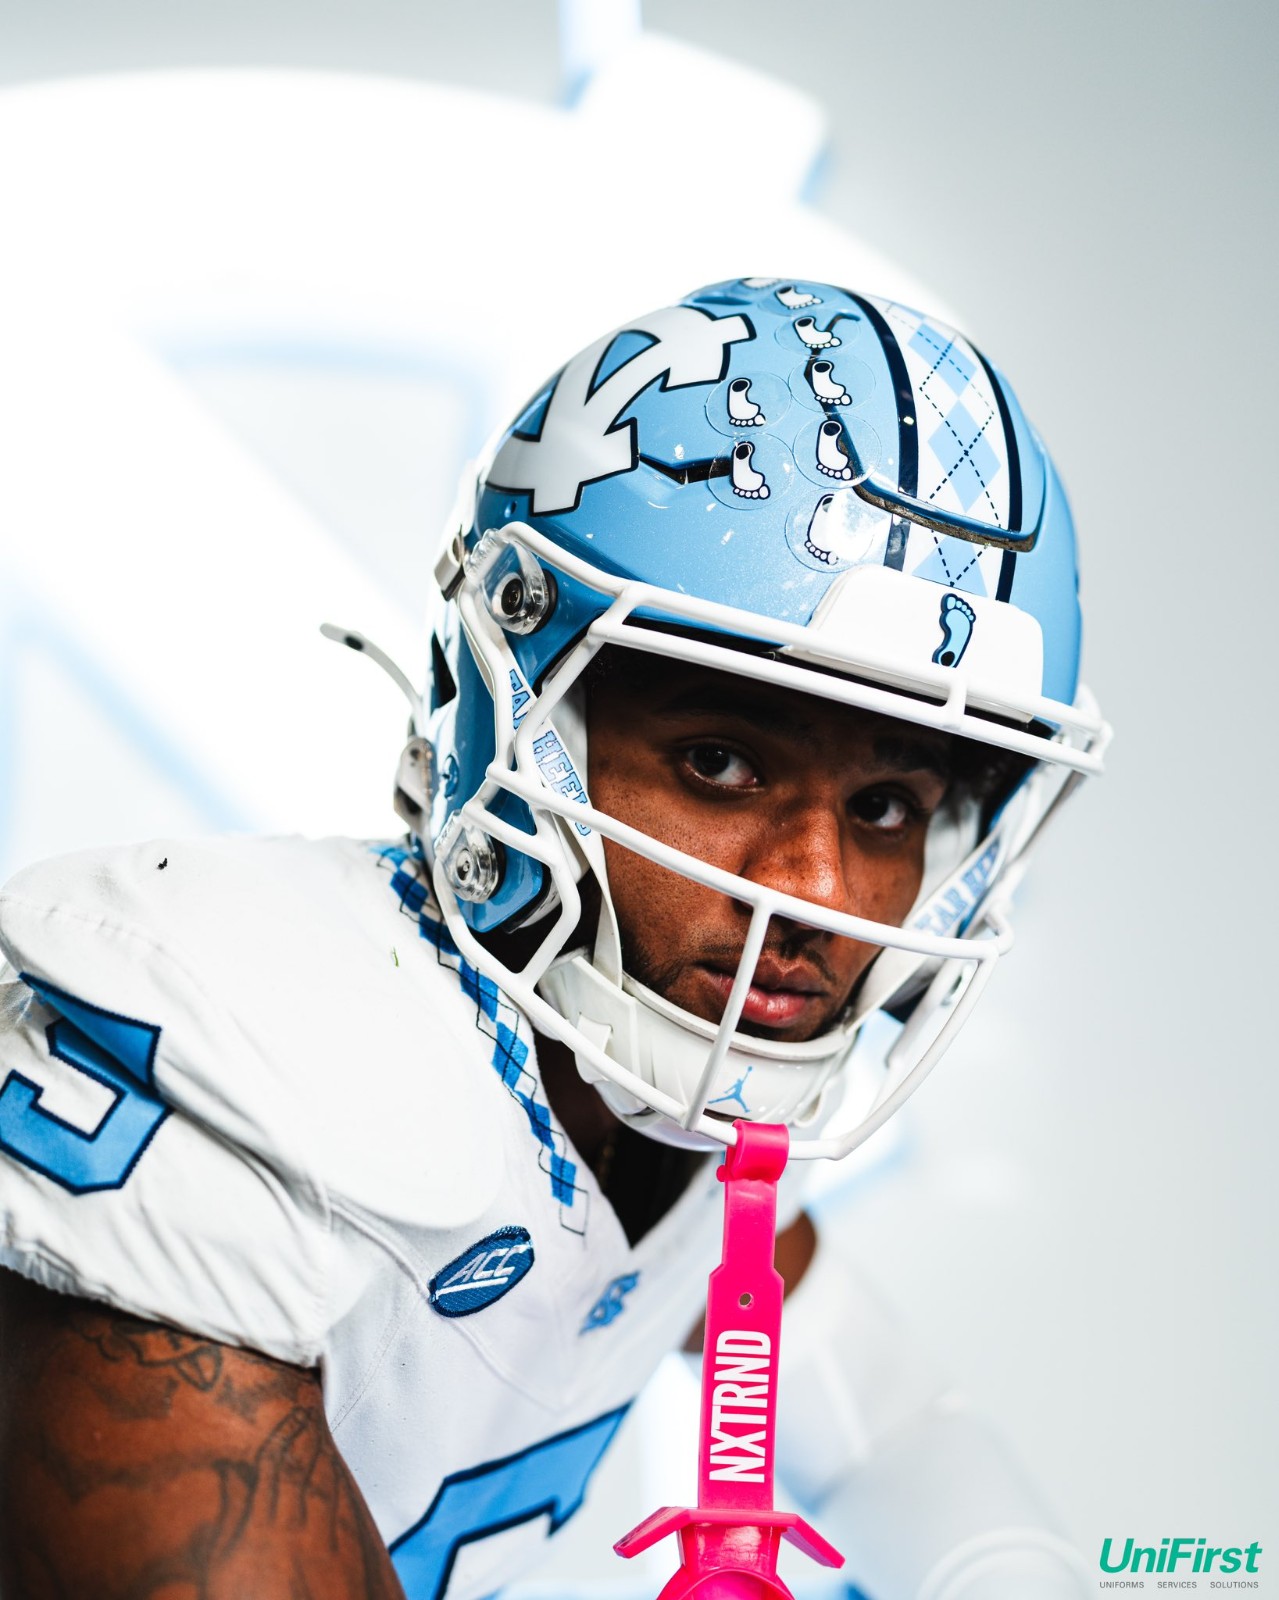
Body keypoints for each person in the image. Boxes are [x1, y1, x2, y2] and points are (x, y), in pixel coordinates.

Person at [0, 278, 1106, 1599]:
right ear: (518, 723)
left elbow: (896, 1441)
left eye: (885, 807)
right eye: (719, 762)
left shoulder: (669, 1123)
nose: (815, 889)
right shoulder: (260, 1073)